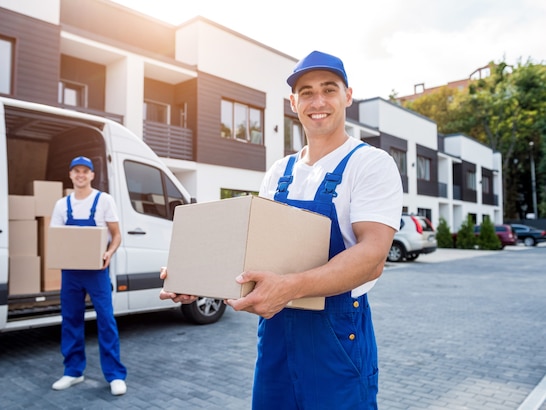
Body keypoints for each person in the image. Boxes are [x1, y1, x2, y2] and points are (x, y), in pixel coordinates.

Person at [161, 50, 403, 409]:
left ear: (348, 96)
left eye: (329, 90)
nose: (317, 101)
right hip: (276, 337)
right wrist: (198, 280)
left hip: (337, 339)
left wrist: (290, 286)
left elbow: (372, 258)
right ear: (293, 102)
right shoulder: (279, 173)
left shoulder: (370, 164)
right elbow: (251, 250)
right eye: (306, 92)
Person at [50, 156, 127, 396]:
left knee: (106, 320)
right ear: (70, 175)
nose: (81, 175)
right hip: (71, 272)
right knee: (71, 320)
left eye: (85, 171)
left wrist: (109, 253)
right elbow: (57, 238)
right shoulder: (62, 205)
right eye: (76, 171)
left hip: (97, 270)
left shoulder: (104, 200)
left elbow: (116, 235)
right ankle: (73, 371)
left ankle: (115, 375)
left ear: (92, 175)